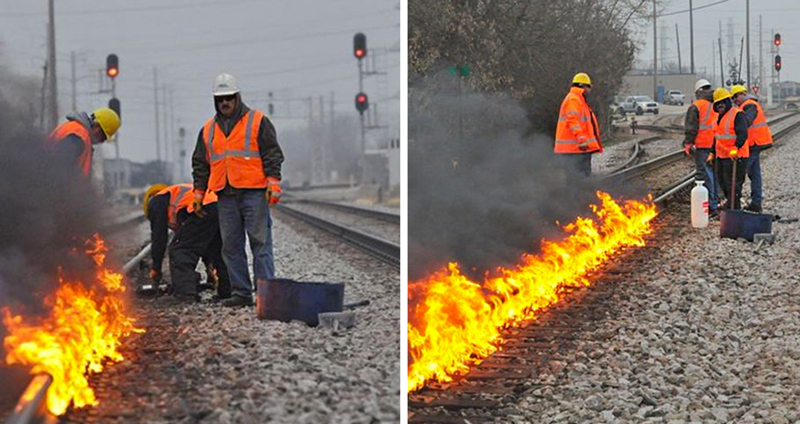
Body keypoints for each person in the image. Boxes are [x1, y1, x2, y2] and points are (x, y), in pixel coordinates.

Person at [191, 73, 284, 307]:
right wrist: (199, 195)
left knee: (260, 244)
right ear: (215, 101)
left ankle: (266, 296)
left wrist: (273, 182)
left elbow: (272, 152)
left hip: (253, 192)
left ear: (237, 97)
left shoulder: (257, 121)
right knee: (231, 247)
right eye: (220, 99)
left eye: (229, 98)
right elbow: (200, 164)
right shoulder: (208, 130)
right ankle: (241, 293)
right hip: (225, 195)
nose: (225, 103)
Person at [143, 183, 231, 302]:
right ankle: (227, 291)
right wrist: (209, 269)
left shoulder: (156, 201)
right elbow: (203, 242)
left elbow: (159, 237)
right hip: (219, 205)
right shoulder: (177, 195)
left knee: (180, 249)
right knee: (218, 249)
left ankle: (186, 294)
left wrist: (156, 267)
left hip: (201, 208)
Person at [731, 85, 773, 213]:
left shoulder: (749, 105)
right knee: (754, 174)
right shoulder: (748, 105)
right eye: (732, 98)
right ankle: (756, 203)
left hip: (754, 143)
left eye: (735, 97)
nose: (734, 100)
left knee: (741, 172)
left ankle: (734, 201)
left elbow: (746, 122)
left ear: (742, 94)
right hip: (755, 143)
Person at [554, 72, 603, 176]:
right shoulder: (573, 100)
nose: (590, 90)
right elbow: (573, 120)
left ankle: (582, 192)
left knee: (579, 179)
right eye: (589, 87)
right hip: (575, 149)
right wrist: (582, 139)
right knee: (579, 178)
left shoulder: (579, 100)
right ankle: (580, 193)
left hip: (577, 149)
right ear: (583, 86)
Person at [682, 79, 719, 215]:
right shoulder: (716, 103)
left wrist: (688, 143)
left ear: (698, 92)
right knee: (714, 175)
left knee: (706, 175)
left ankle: (710, 205)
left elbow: (691, 127)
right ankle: (715, 201)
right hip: (716, 145)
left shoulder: (696, 106)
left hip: (703, 145)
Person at [48, 108, 120, 177]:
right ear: (97, 129)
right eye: (103, 138)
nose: (101, 142)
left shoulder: (76, 130)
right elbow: (60, 165)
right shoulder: (79, 136)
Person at [712, 88, 749, 210]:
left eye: (722, 102)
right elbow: (717, 138)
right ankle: (731, 205)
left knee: (733, 184)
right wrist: (712, 152)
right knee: (723, 183)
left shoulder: (738, 114)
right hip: (722, 156)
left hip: (736, 156)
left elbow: (743, 134)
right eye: (718, 103)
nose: (720, 105)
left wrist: (736, 148)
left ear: (728, 102)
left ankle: (735, 209)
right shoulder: (718, 118)